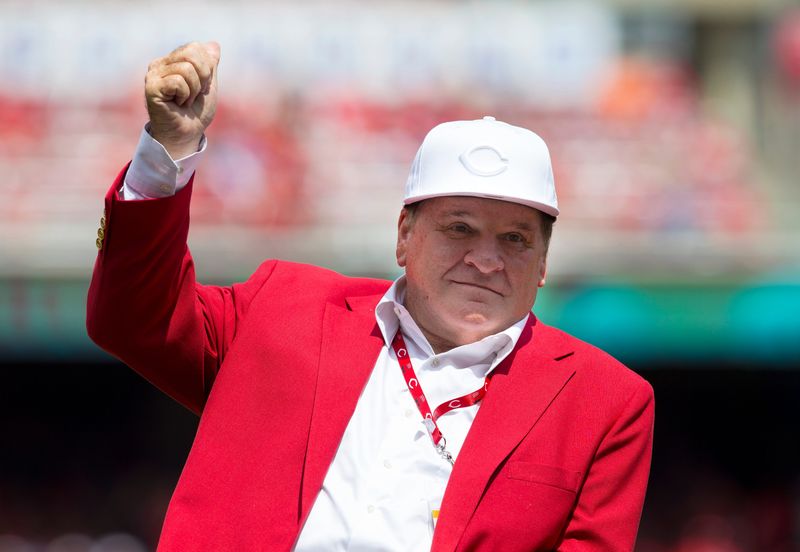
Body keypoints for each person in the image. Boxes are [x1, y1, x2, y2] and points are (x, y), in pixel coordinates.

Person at [87, 42, 654, 552]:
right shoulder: (283, 308)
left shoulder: (605, 403)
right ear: (405, 235)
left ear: (544, 263)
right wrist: (168, 151)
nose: (486, 259)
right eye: (459, 229)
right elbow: (132, 318)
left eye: (514, 239)